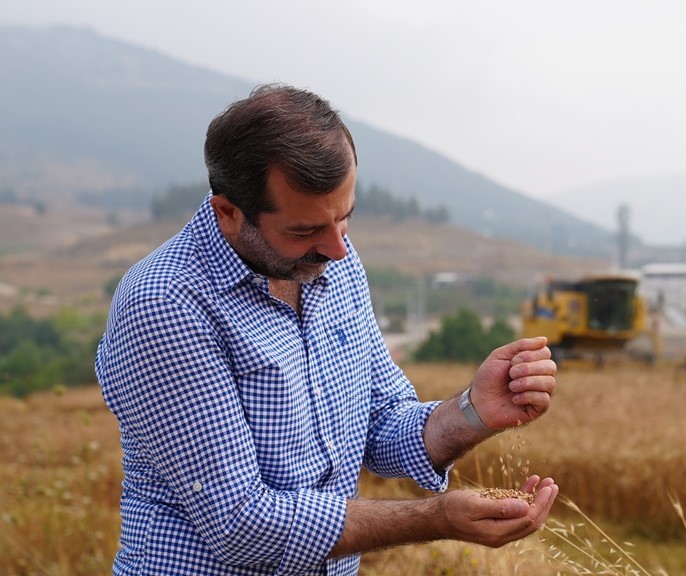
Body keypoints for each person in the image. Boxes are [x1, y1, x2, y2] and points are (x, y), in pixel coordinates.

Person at [95, 83, 559, 575]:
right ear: (228, 213)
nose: (337, 247)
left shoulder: (330, 261)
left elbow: (381, 426)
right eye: (304, 231)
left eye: (345, 219)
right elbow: (242, 526)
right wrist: (437, 517)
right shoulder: (165, 304)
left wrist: (473, 412)